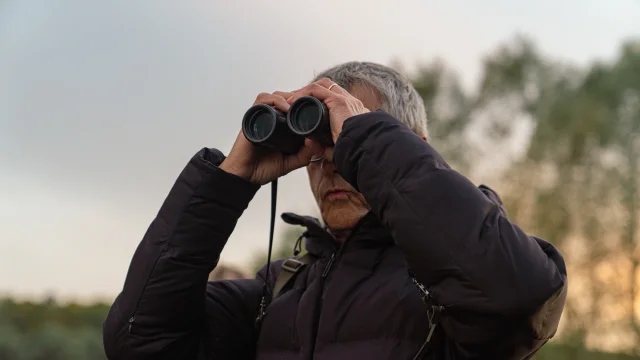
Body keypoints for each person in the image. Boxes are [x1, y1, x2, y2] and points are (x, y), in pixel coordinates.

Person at [103, 62, 567, 360]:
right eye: (320, 146)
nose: (332, 165)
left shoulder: (454, 283)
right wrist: (227, 182)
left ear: (408, 149)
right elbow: (139, 339)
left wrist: (368, 144)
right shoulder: (281, 287)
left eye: (350, 143)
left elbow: (522, 298)